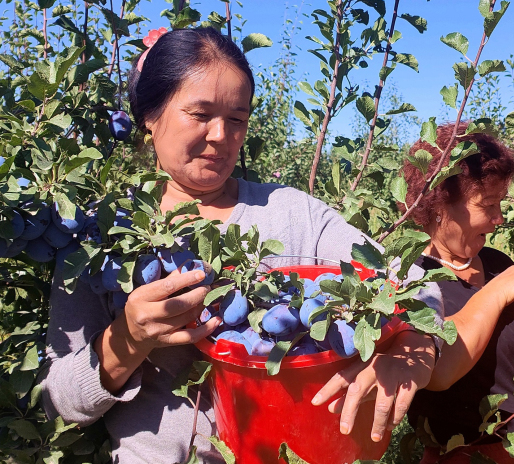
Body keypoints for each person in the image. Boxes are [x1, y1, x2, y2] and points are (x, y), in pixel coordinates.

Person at [40, 27, 440, 463]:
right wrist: (129, 339)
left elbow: (415, 283)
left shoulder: (293, 215)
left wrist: (411, 351)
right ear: (149, 115)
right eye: (199, 114)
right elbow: (60, 403)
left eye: (237, 119)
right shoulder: (101, 236)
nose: (220, 135)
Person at [397, 123, 514, 463]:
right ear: (439, 206)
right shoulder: (411, 278)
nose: (499, 219)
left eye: (501, 203)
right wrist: (497, 292)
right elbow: (437, 373)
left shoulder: (495, 261)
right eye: (488, 204)